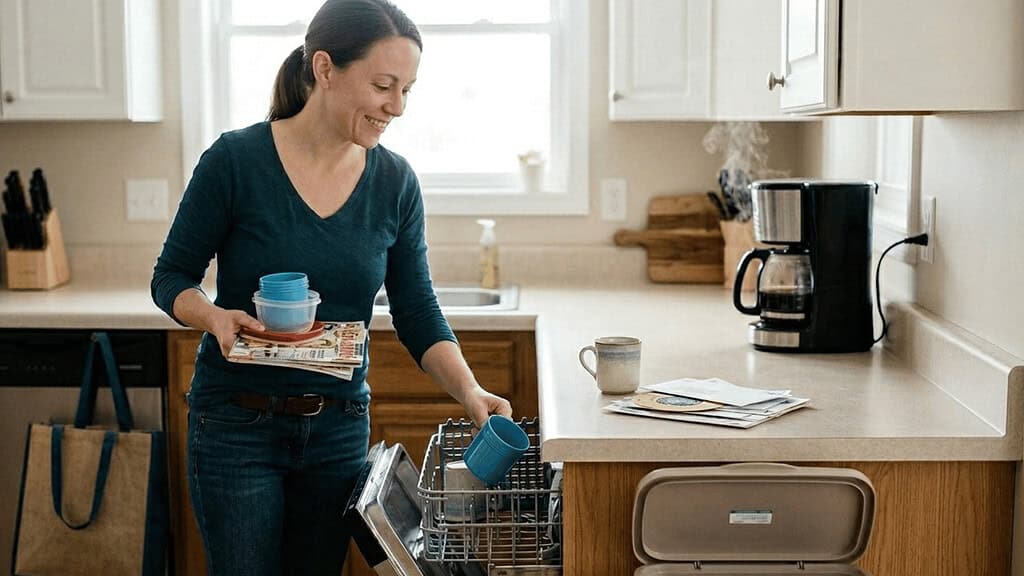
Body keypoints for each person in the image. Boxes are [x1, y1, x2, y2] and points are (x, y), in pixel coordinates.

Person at [150, 1, 512, 574]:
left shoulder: (394, 182)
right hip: (236, 426)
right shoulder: (235, 161)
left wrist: (472, 395)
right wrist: (216, 317)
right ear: (324, 68)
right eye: (383, 85)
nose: (396, 107)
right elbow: (170, 278)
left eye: (407, 91)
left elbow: (417, 310)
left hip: (337, 430)